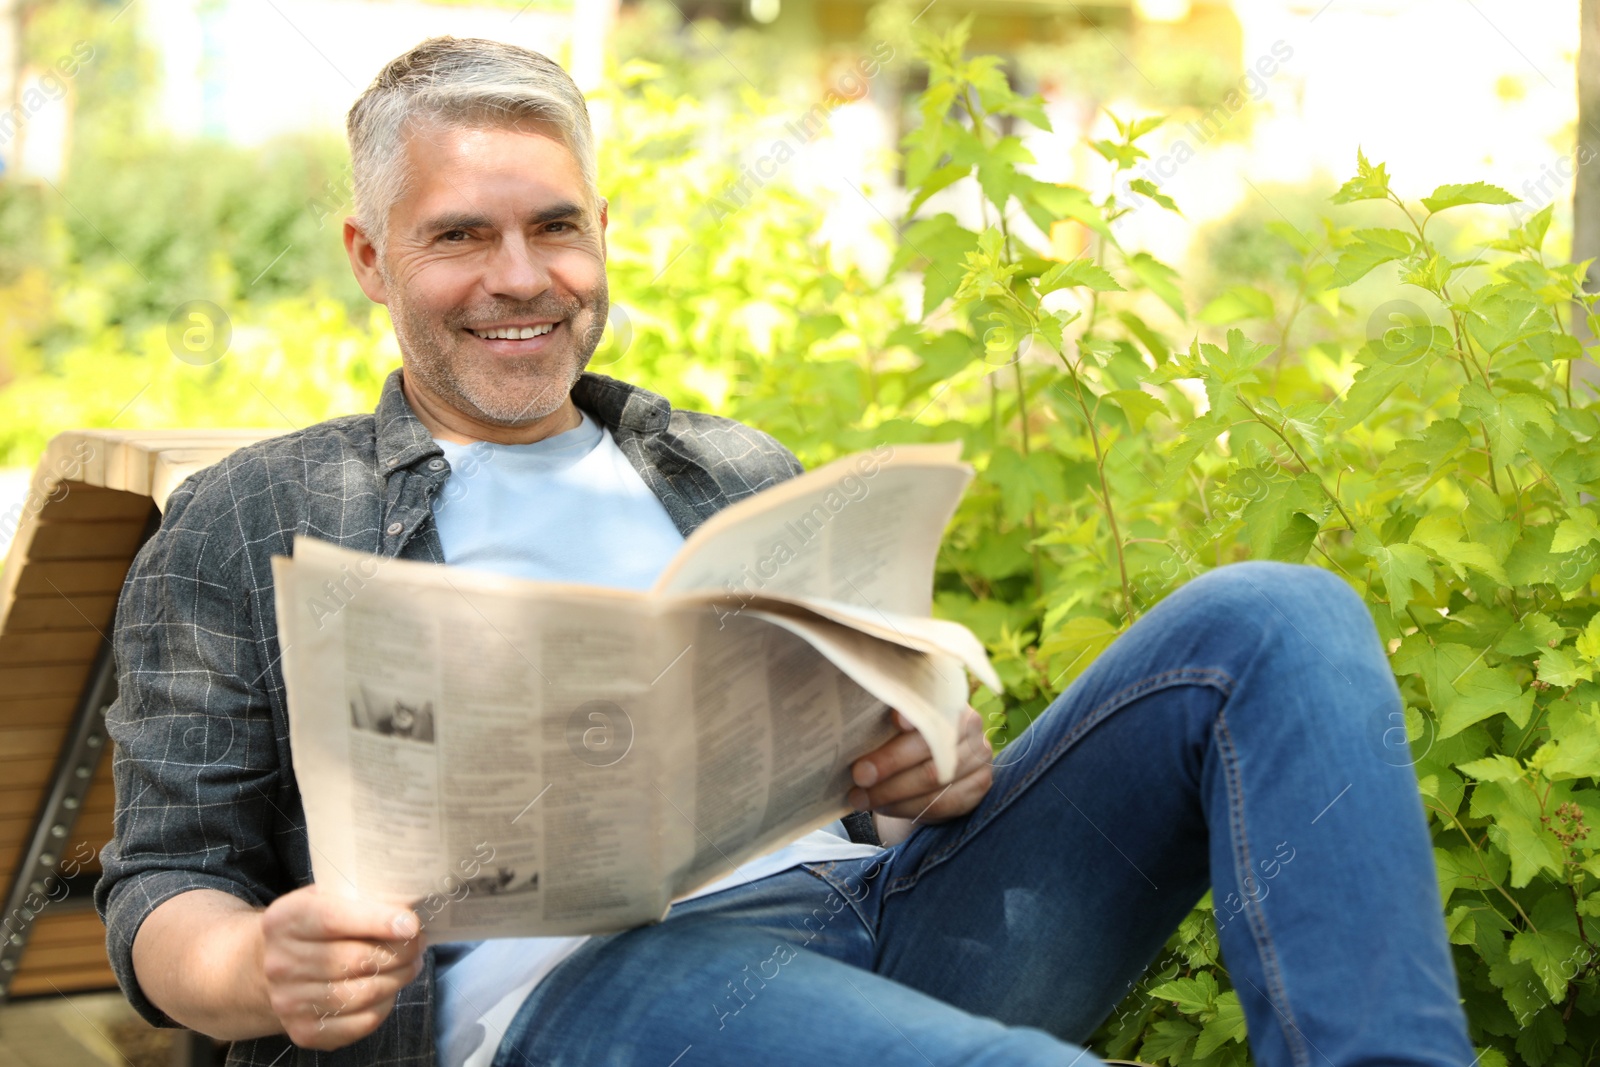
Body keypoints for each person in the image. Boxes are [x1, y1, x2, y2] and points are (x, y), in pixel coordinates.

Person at [95, 36, 1475, 1067]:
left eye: (554, 226)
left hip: (889, 914)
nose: (521, 277)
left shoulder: (728, 470)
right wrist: (256, 966)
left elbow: (878, 774)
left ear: (601, 238)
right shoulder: (260, 515)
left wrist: (924, 768)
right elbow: (163, 882)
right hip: (587, 994)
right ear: (370, 257)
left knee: (1277, 617)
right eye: (460, 235)